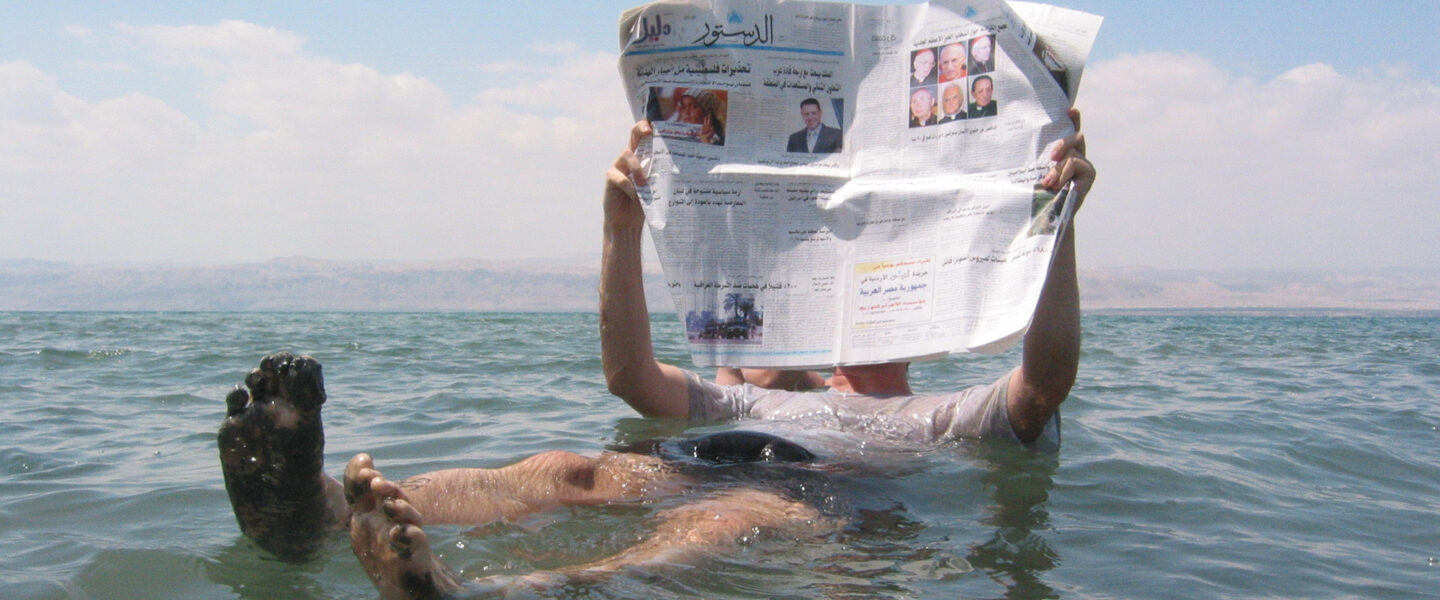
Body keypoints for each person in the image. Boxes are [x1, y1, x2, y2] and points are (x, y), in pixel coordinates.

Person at [219, 110, 1093, 598]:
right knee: (570, 470)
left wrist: (1059, 233)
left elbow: (1042, 383)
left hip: (820, 492)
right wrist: (618, 224)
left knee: (727, 519)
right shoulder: (748, 395)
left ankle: (485, 598)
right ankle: (317, 511)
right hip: (697, 456)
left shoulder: (934, 415)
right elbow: (630, 378)